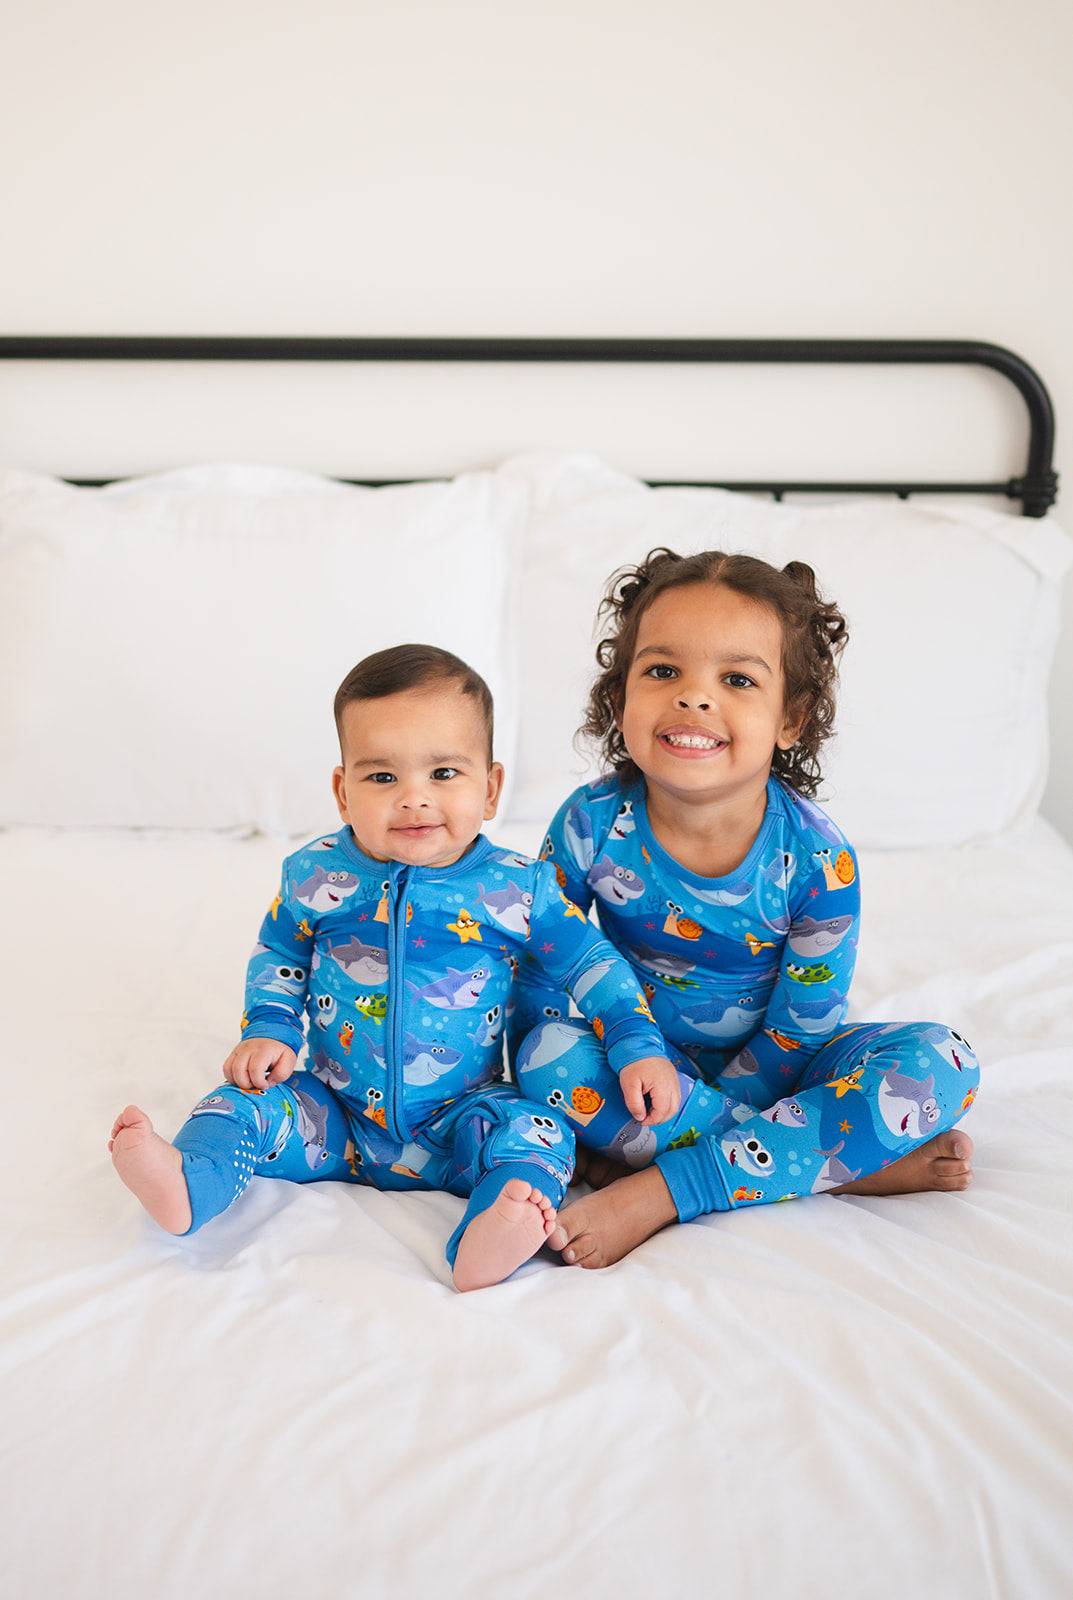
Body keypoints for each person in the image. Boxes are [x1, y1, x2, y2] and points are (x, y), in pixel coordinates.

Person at [109, 644, 679, 1291]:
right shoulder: (314, 876)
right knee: (241, 1103)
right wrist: (269, 1029)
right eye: (382, 777)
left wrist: (635, 1045)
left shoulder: (519, 888)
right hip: (334, 1117)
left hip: (463, 1118)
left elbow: (593, 963)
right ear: (342, 791)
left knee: (540, 1133)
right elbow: (280, 956)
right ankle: (192, 1181)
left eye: (443, 773)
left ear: (490, 789)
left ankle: (493, 1230)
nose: (413, 799)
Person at [510, 549, 981, 1269]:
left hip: (786, 1065)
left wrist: (715, 1108)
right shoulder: (589, 824)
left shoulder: (817, 858)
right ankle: (841, 1165)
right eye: (661, 672)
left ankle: (666, 1188)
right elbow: (540, 967)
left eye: (736, 679)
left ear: (790, 718)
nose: (694, 698)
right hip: (638, 1062)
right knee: (542, 1056)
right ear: (618, 699)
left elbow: (802, 1025)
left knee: (944, 1062)